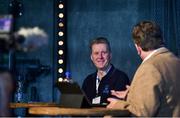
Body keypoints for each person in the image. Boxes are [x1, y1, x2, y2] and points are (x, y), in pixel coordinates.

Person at [107, 20, 180, 117]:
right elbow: (165, 97)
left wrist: (117, 105)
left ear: (138, 47)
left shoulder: (149, 67)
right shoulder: (175, 61)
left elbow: (141, 114)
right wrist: (131, 94)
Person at [82, 37, 130, 106]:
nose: (100, 57)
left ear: (110, 55)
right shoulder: (88, 81)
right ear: (91, 57)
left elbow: (118, 110)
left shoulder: (121, 78)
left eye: (104, 53)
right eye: (96, 53)